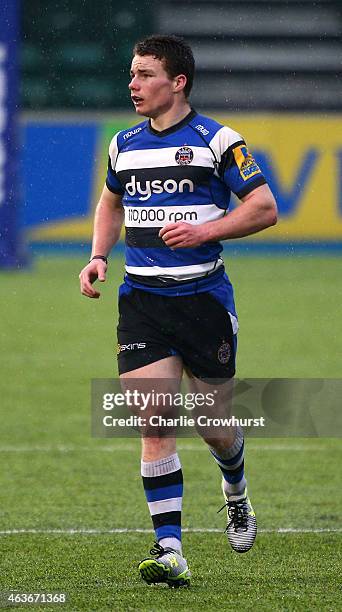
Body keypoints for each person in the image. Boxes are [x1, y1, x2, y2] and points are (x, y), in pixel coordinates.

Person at [79, 34, 277, 588]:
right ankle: (170, 550)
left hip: (203, 302)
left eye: (144, 74)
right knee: (154, 422)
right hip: (142, 302)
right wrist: (98, 256)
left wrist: (207, 229)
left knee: (214, 426)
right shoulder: (124, 144)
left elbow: (264, 207)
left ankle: (235, 490)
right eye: (132, 74)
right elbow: (110, 201)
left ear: (178, 81)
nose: (133, 84)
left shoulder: (219, 141)